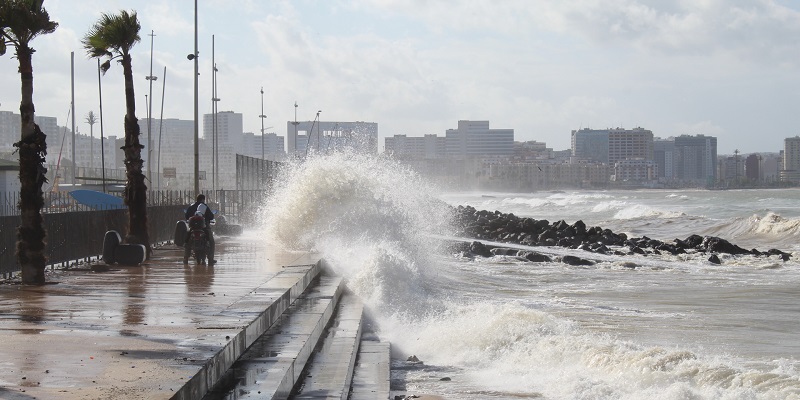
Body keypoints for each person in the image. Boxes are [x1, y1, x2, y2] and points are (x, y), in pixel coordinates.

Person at [185, 194, 216, 265]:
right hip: (204, 227)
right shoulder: (204, 206)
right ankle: (210, 259)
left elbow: (186, 216)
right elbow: (211, 216)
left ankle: (185, 257)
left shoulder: (191, 207)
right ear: (203, 199)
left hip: (192, 228)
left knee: (187, 241)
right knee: (211, 242)